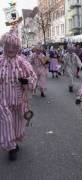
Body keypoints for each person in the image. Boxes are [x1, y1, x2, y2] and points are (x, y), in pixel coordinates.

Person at [0, 27, 37, 161]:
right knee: (6, 122)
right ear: (4, 46)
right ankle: (11, 147)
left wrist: (26, 81)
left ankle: (14, 142)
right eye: (8, 46)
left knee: (17, 124)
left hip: (19, 99)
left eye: (14, 47)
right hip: (2, 100)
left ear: (18, 48)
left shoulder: (22, 62)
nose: (10, 49)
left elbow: (33, 76)